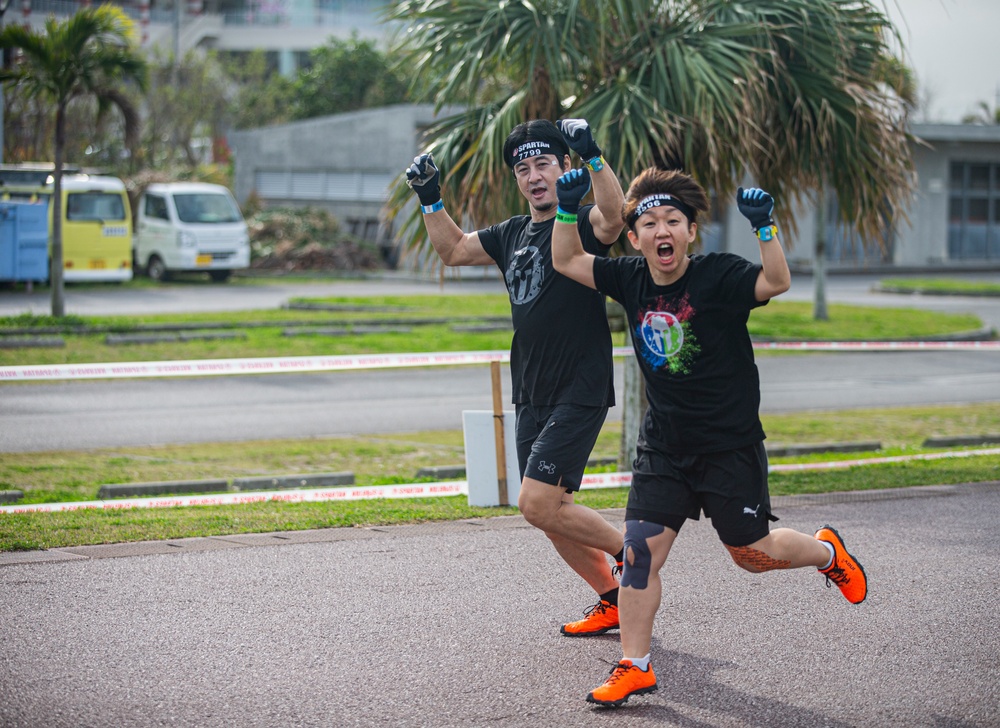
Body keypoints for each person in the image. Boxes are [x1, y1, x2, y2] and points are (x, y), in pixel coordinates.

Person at [551, 166, 869, 707]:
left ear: (691, 231)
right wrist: (565, 210)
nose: (661, 231)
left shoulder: (718, 275)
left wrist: (765, 228)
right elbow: (566, 260)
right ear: (635, 238)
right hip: (664, 448)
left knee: (751, 554)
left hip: (728, 446)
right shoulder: (629, 278)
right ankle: (635, 665)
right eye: (649, 223)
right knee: (639, 554)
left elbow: (776, 282)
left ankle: (826, 552)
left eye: (673, 220)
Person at [404, 119, 628, 636]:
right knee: (548, 511)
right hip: (531, 390)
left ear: (563, 167)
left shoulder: (580, 221)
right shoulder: (510, 234)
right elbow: (454, 250)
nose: (533, 177)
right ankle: (612, 597)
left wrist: (592, 154)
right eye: (523, 169)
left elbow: (616, 217)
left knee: (536, 501)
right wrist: (431, 198)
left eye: (543, 164)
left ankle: (631, 556)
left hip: (580, 386)